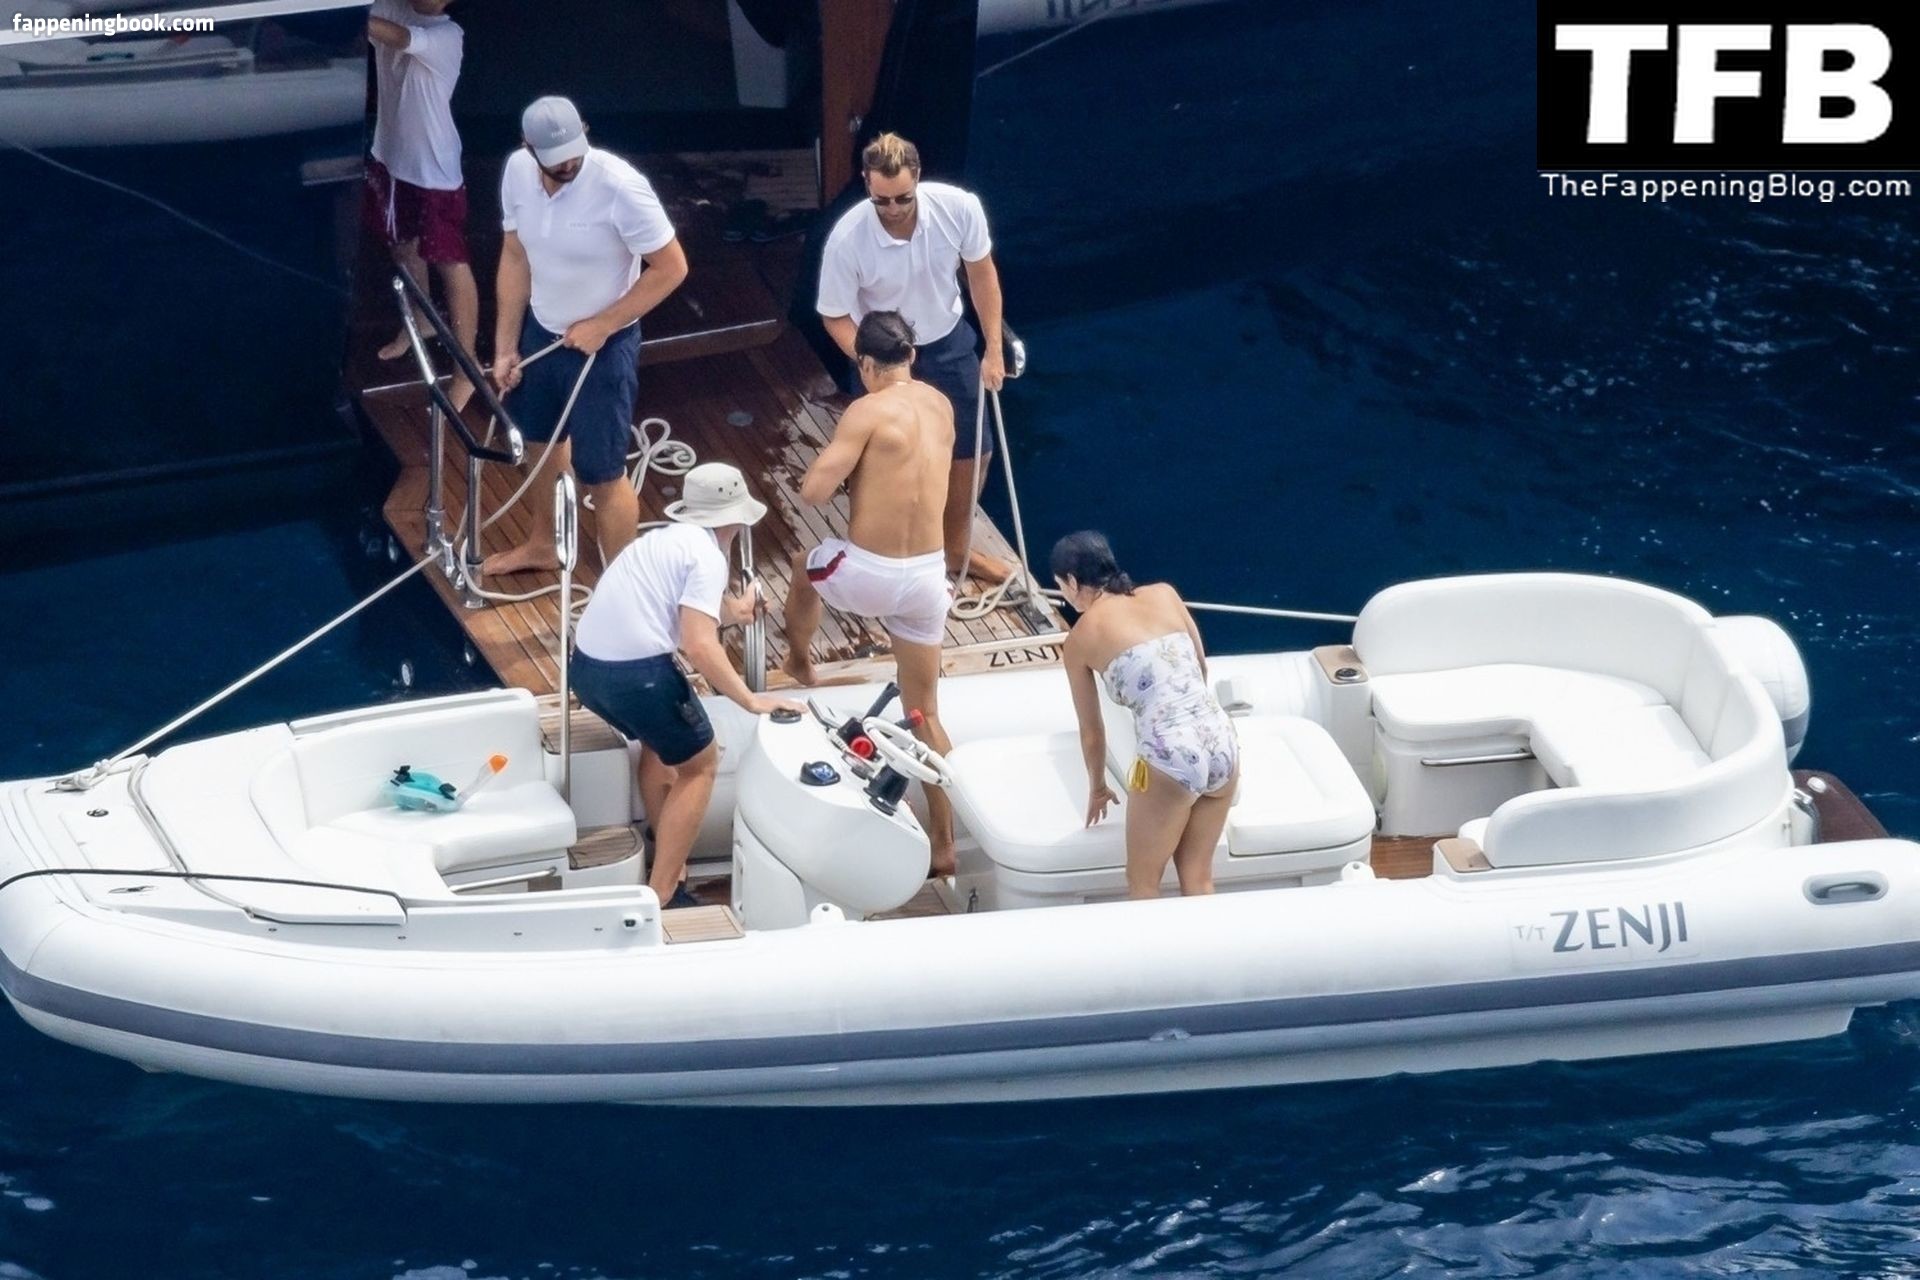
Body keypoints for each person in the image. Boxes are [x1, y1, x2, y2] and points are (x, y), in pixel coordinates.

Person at [570, 463, 803, 908]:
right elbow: (697, 643)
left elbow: (688, 610)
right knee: (701, 764)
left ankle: (669, 857)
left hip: (586, 671)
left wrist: (735, 611)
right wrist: (750, 700)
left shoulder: (663, 541)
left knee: (659, 747)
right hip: (637, 677)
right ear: (736, 519)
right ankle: (661, 894)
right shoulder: (709, 558)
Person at [781, 312, 959, 876]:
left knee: (803, 567)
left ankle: (799, 661)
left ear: (864, 363)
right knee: (924, 711)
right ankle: (946, 843)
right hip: (928, 579)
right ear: (912, 356)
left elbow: (813, 492)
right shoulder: (941, 405)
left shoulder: (865, 410)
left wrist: (851, 468)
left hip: (870, 574)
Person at [487, 96, 690, 578]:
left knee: (603, 473)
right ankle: (544, 545)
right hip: (542, 333)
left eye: (574, 151)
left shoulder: (621, 186)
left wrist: (604, 324)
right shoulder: (516, 172)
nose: (569, 164)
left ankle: (622, 584)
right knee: (539, 445)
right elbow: (514, 256)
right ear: (528, 148)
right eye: (556, 159)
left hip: (606, 349)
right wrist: (505, 346)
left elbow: (672, 268)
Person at [815, 132, 1012, 586]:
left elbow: (982, 275)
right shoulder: (847, 239)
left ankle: (955, 551)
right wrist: (871, 363)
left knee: (974, 449)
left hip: (946, 340)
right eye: (881, 200)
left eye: (903, 198)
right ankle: (873, 555)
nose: (893, 208)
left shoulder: (959, 208)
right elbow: (834, 314)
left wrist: (993, 350)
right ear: (866, 183)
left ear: (918, 178)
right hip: (881, 353)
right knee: (879, 456)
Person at [1053, 531, 1238, 899]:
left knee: (1142, 881)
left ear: (1072, 582)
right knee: (1198, 876)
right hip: (1221, 740)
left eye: (1060, 587)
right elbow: (1200, 668)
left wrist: (1098, 788)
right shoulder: (1165, 594)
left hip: (1170, 753)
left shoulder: (1080, 639)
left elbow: (1092, 732)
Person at [364, 0, 478, 409]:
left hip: (434, 173)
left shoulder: (448, 36)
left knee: (450, 262)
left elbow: (395, 36)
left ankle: (467, 369)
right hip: (390, 156)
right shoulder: (390, 6)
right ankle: (423, 318)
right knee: (400, 244)